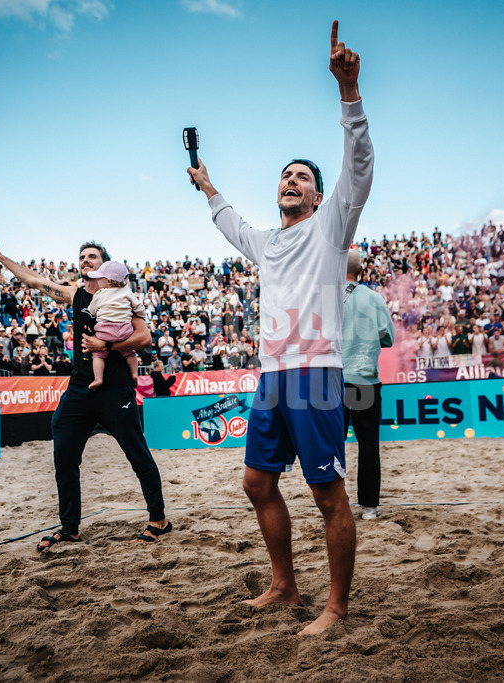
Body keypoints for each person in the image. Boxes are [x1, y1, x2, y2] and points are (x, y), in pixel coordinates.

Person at [186, 20, 372, 635]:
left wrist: (349, 93)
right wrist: (209, 186)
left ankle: (337, 609)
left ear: (319, 198)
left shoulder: (330, 227)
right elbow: (228, 220)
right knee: (255, 482)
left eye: (302, 177)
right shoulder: (266, 243)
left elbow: (361, 167)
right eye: (285, 175)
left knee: (327, 497)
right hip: (271, 378)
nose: (290, 180)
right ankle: (285, 586)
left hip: (318, 376)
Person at [0, 235, 170, 548]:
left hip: (115, 389)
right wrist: (1, 257)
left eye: (92, 256)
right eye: (82, 256)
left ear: (105, 265)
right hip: (80, 388)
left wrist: (106, 345)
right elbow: (33, 279)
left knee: (138, 454)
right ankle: (69, 528)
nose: (85, 260)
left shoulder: (123, 296)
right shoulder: (76, 295)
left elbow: (144, 339)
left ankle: (159, 520)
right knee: (64, 456)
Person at [341, 249, 394, 521]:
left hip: (333, 381)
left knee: (331, 445)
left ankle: (336, 502)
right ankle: (370, 507)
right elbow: (388, 339)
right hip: (365, 380)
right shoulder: (374, 299)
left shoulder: (325, 299)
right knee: (368, 445)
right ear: (361, 270)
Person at [85, 260, 142, 389]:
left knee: (98, 355)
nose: (97, 281)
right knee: (130, 353)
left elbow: (91, 310)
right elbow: (138, 307)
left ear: (108, 281)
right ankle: (134, 373)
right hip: (124, 330)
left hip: (105, 332)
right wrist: (141, 316)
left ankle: (98, 378)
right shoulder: (127, 291)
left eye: (99, 278)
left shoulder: (100, 294)